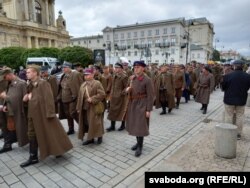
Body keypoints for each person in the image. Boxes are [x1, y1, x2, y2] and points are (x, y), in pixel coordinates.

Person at [20, 65, 73, 168]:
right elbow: (32, 97)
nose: (26, 74)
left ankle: (58, 150)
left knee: (51, 133)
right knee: (32, 134)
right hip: (32, 114)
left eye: (29, 72)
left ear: (35, 73)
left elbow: (49, 99)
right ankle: (33, 157)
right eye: (27, 72)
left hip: (42, 114)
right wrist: (26, 98)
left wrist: (50, 114)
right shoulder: (30, 84)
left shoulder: (43, 83)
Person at [125, 60, 154, 157]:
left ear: (143, 68)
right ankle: (138, 143)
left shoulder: (147, 80)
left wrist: (148, 110)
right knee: (135, 125)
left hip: (142, 104)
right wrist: (127, 90)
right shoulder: (132, 78)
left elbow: (151, 96)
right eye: (135, 67)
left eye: (138, 67)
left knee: (140, 126)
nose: (136, 69)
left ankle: (140, 146)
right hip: (133, 103)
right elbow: (126, 91)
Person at [0, 68, 28, 153]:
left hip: (15, 109)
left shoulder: (20, 83)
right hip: (7, 107)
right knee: (6, 126)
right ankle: (8, 143)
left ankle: (10, 143)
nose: (4, 79)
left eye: (5, 77)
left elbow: (21, 99)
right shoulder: (9, 81)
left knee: (11, 126)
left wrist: (5, 99)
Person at [221, 60, 250, 140]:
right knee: (240, 116)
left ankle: (228, 132)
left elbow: (223, 88)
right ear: (242, 66)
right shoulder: (247, 76)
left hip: (229, 99)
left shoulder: (228, 76)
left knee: (228, 116)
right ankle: (238, 134)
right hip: (241, 99)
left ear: (234, 66)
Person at [76, 68, 106, 145]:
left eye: (87, 75)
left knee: (96, 122)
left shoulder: (97, 83)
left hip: (94, 107)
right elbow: (79, 97)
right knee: (88, 123)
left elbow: (102, 94)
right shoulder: (83, 84)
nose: (85, 76)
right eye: (85, 75)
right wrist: (78, 107)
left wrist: (92, 99)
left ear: (92, 75)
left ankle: (99, 136)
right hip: (85, 107)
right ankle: (90, 138)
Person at [57, 61, 83, 135]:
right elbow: (61, 87)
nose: (63, 69)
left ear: (69, 67)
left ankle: (83, 127)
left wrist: (78, 96)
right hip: (65, 98)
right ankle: (71, 128)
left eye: (65, 67)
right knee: (68, 114)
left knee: (73, 113)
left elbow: (81, 85)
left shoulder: (76, 74)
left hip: (73, 98)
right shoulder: (64, 75)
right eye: (63, 68)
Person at [106, 62, 128, 131]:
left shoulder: (124, 76)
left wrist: (121, 93)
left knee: (122, 111)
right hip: (113, 97)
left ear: (121, 68)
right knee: (112, 111)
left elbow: (127, 87)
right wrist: (110, 94)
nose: (116, 69)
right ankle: (112, 126)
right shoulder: (114, 75)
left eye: (117, 67)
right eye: (115, 67)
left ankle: (123, 125)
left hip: (121, 98)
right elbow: (112, 85)